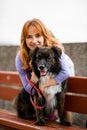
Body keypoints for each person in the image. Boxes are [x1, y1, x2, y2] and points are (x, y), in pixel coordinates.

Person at [15, 18, 75, 125]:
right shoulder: (21, 57)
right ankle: (49, 116)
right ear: (24, 39)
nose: (34, 40)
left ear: (44, 36)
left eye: (37, 35)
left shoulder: (55, 48)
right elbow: (29, 89)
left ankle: (64, 122)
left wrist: (44, 85)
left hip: (64, 69)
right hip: (43, 73)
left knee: (62, 95)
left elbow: (65, 73)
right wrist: (34, 82)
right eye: (29, 37)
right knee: (45, 95)